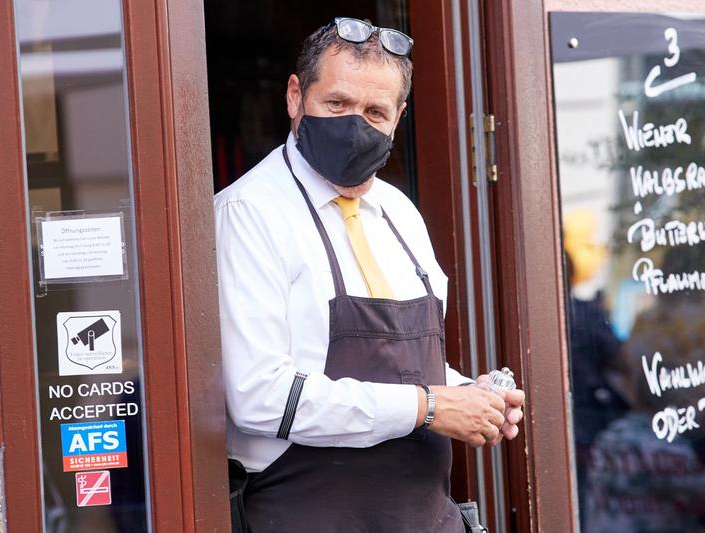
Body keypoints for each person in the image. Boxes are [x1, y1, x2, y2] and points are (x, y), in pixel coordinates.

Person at [214, 17, 525, 533]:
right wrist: (430, 407)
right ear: (295, 96)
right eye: (336, 104)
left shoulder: (400, 214)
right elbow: (258, 399)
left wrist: (473, 396)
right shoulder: (248, 214)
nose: (354, 124)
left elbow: (404, 367)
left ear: (398, 117)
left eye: (375, 111)